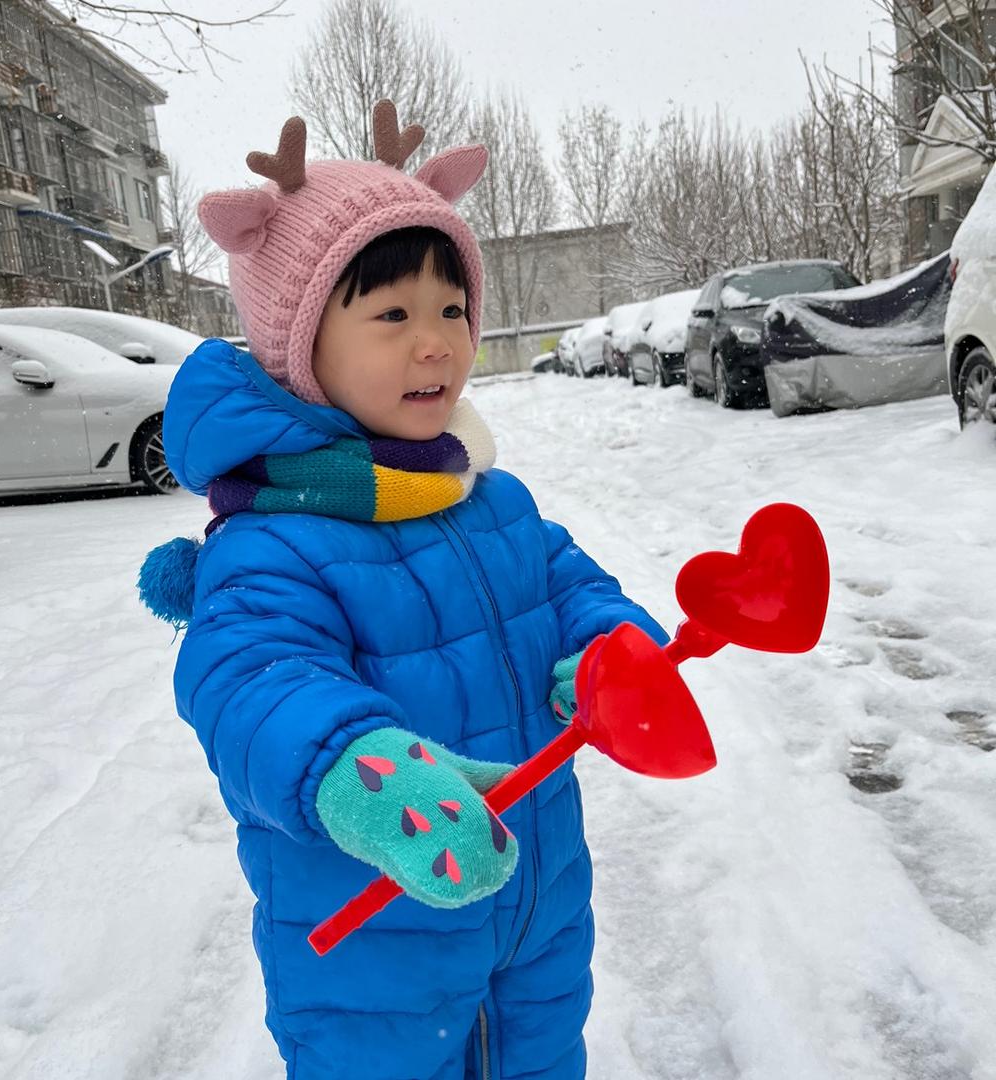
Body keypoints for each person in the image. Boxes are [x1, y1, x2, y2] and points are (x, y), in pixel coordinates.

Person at [139, 100, 668, 1080]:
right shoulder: (274, 539)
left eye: (451, 310)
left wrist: (606, 647)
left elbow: (574, 589)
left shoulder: (489, 498)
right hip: (377, 939)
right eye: (392, 315)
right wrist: (353, 765)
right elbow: (249, 677)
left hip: (536, 900)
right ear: (302, 348)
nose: (436, 343)